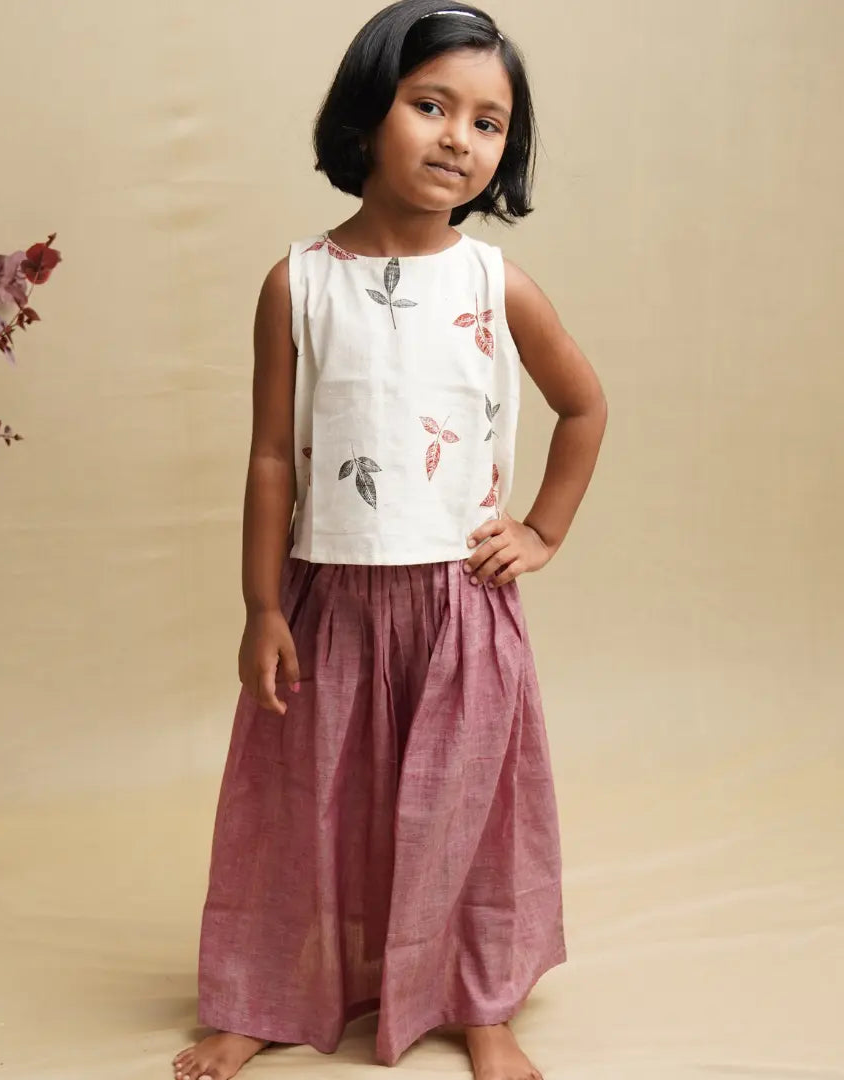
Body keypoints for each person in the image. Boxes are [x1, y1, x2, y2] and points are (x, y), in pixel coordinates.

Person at [173, 3, 607, 1079]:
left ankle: (476, 999)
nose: (460, 138)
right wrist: (261, 607)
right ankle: (272, 993)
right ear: (369, 112)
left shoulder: (495, 285)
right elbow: (270, 457)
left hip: (461, 606)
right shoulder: (298, 283)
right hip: (329, 601)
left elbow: (585, 405)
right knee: (305, 809)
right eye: (431, 106)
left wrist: (543, 529)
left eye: (489, 123)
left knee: (465, 813)